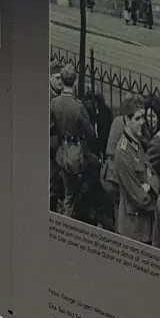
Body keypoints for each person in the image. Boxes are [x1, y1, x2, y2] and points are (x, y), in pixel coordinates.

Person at [107, 96, 158, 244]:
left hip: (143, 226)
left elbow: (153, 174)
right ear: (127, 120)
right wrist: (156, 202)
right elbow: (139, 198)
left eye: (143, 117)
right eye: (138, 118)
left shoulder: (137, 143)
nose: (143, 122)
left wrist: (149, 186)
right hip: (133, 229)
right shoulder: (123, 153)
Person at [50, 65, 96, 218]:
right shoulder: (78, 106)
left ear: (62, 82)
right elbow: (90, 133)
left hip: (61, 152)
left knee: (69, 188)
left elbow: (50, 127)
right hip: (77, 154)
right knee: (77, 187)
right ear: (75, 82)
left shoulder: (54, 102)